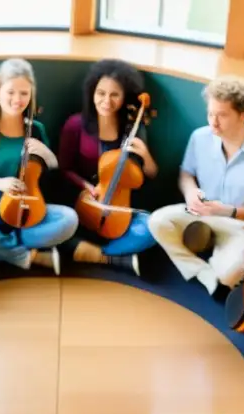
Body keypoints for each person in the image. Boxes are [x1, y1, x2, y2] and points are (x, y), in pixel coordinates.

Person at [148, 77, 244, 295]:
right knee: (157, 221)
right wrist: (190, 191)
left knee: (229, 276)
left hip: (239, 225)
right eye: (210, 114)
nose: (214, 122)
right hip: (200, 212)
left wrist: (228, 210)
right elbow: (186, 174)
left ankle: (218, 271)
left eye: (222, 115)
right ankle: (203, 273)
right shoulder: (199, 137)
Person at [0, 58, 79, 276]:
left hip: (33, 208)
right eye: (11, 92)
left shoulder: (36, 129)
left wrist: (48, 156)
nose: (17, 100)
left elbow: (52, 179)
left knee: (69, 219)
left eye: (24, 93)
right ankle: (22, 255)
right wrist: (0, 183)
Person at [58, 59, 159, 276]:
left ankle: (95, 253)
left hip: (118, 210)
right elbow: (64, 168)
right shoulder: (75, 124)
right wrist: (87, 186)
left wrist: (145, 156)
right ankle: (116, 259)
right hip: (84, 202)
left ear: (125, 98)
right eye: (100, 93)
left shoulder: (133, 128)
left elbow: (149, 175)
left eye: (115, 95)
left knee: (150, 227)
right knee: (60, 224)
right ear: (91, 93)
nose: (106, 101)